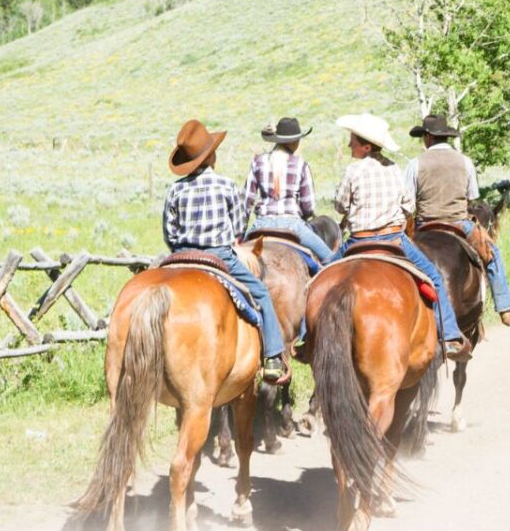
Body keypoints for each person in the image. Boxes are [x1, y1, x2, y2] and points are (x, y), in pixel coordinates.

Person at [326, 113, 471, 361]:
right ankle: (449, 335)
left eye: (352, 140)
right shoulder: (393, 168)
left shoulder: (353, 170)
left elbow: (340, 206)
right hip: (393, 239)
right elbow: (408, 205)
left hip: (358, 240)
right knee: (434, 277)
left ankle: (305, 336)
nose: (349, 144)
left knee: (320, 276)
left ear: (366, 146)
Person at [163, 119, 286, 380]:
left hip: (181, 256)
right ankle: (273, 357)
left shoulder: (175, 190)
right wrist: (230, 238)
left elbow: (169, 232)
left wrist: (180, 247)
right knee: (261, 294)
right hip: (219, 255)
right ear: (212, 156)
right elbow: (240, 224)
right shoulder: (227, 185)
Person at [404, 114, 510, 326]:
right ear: (444, 136)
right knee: (492, 254)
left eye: (423, 136)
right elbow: (472, 196)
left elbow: (407, 202)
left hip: (425, 225)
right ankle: (505, 308)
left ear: (428, 137)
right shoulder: (464, 161)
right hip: (459, 223)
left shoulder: (415, 164)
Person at [243, 116, 334, 262]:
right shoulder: (300, 165)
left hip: (261, 225)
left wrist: (239, 234)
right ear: (294, 142)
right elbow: (309, 206)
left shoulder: (257, 162)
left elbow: (246, 202)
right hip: (293, 226)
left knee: (237, 260)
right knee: (332, 259)